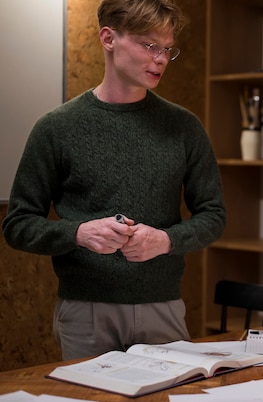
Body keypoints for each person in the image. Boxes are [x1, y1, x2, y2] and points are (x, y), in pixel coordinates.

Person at [2, 0, 226, 360]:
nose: (160, 59)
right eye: (148, 45)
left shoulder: (184, 127)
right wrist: (79, 233)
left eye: (167, 49)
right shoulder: (56, 128)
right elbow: (18, 225)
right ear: (108, 38)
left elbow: (213, 215)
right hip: (85, 312)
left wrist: (166, 240)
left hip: (162, 308)